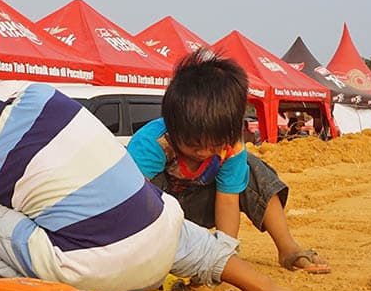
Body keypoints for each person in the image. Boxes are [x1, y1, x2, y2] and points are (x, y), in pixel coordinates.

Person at [0, 70, 291, 291]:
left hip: (100, 276)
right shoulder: (40, 95)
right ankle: (260, 286)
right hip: (162, 242)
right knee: (154, 212)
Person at [127, 51, 331, 274]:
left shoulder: (231, 147)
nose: (204, 152)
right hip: (157, 211)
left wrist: (224, 257)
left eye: (214, 145)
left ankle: (287, 247)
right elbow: (130, 200)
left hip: (202, 207)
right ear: (174, 127)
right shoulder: (152, 143)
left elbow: (227, 202)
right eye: (193, 145)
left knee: (253, 169)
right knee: (140, 188)